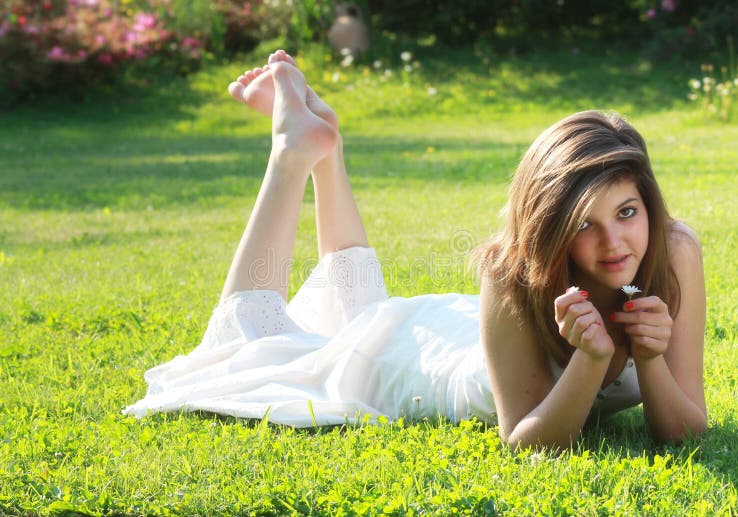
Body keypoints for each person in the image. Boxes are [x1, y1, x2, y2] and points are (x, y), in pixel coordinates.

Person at [124, 50, 707, 449]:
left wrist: (649, 358)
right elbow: (532, 444)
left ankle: (327, 150)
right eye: (585, 224)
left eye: (627, 212)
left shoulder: (674, 251)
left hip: (457, 325)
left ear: (648, 204)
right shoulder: (511, 271)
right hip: (411, 362)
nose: (615, 242)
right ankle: (290, 155)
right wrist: (590, 359)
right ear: (550, 224)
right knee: (254, 340)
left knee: (358, 308)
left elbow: (684, 431)